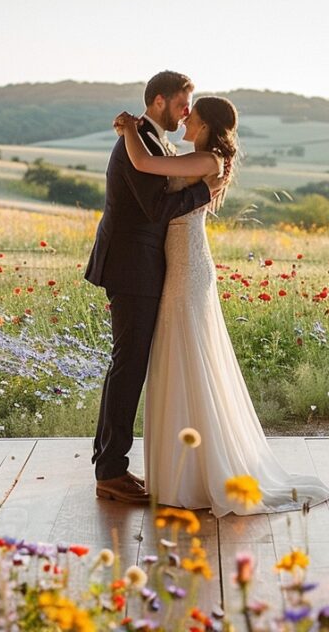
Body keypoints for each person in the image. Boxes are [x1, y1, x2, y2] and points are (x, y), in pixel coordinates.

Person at [115, 95, 329, 517]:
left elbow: (144, 165)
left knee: (187, 359)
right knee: (178, 359)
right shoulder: (195, 156)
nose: (184, 117)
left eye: (191, 115)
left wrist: (128, 128)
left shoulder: (208, 161)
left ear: (206, 125)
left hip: (187, 268)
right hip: (177, 263)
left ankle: (196, 474)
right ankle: (183, 471)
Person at [84, 71, 223, 504]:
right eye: (184, 102)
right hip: (131, 266)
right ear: (159, 100)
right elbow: (156, 206)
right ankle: (111, 470)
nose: (187, 111)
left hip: (142, 266)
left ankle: (109, 464)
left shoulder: (151, 138)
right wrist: (203, 192)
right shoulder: (139, 137)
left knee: (127, 367)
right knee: (128, 367)